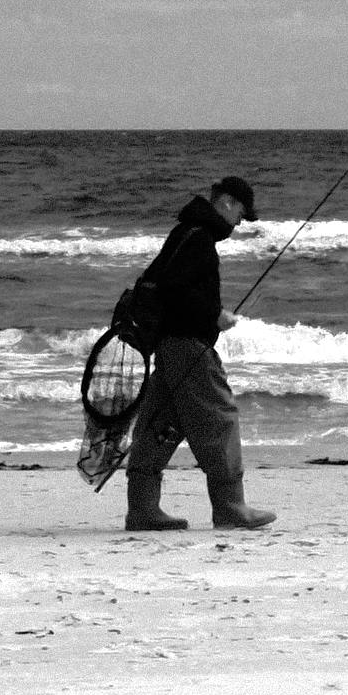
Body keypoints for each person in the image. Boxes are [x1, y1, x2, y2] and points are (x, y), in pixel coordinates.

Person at [116, 174, 273, 533]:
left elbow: (161, 284)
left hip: (168, 344)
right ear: (228, 203)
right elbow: (176, 290)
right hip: (187, 345)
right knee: (220, 417)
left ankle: (142, 509)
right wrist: (214, 315)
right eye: (241, 215)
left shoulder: (185, 232)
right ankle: (231, 508)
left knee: (160, 421)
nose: (238, 224)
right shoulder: (199, 239)